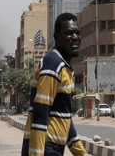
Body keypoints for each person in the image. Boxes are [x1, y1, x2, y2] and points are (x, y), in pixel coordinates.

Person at [21, 13, 88, 156]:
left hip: (54, 148)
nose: (75, 37)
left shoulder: (65, 67)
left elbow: (64, 117)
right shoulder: (53, 64)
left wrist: (81, 153)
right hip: (46, 148)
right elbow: (40, 111)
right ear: (56, 37)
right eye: (69, 33)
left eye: (77, 33)